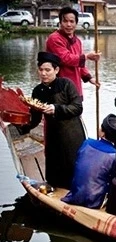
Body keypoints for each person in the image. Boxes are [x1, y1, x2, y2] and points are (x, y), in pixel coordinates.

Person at [18, 52, 86, 189]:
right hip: (53, 134)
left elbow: (78, 107)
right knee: (55, 170)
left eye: (47, 70)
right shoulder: (38, 91)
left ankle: (77, 193)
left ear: (56, 70)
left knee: (74, 166)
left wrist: (56, 109)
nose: (44, 73)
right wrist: (20, 126)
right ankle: (55, 191)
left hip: (72, 134)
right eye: (41, 70)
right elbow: (35, 119)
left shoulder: (66, 84)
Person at [61, 114, 116, 209]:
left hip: (75, 195)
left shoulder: (87, 143)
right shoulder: (115, 155)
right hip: (94, 201)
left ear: (102, 132)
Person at [46, 6, 101, 99]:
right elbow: (65, 58)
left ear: (76, 23)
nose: (68, 24)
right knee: (61, 111)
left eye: (72, 21)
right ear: (60, 23)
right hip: (60, 87)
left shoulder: (78, 41)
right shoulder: (54, 38)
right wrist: (87, 56)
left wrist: (89, 78)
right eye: (65, 21)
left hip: (76, 87)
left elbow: (80, 65)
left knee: (77, 111)